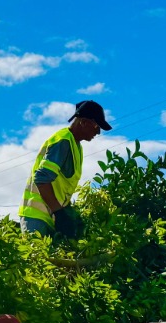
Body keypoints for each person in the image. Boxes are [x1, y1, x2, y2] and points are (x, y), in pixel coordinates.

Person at [17, 99, 111, 235]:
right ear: (84, 122)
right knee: (36, 255)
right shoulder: (63, 142)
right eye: (97, 126)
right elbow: (41, 179)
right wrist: (60, 213)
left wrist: (71, 215)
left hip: (49, 217)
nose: (98, 133)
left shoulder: (76, 146)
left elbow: (62, 189)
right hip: (36, 216)